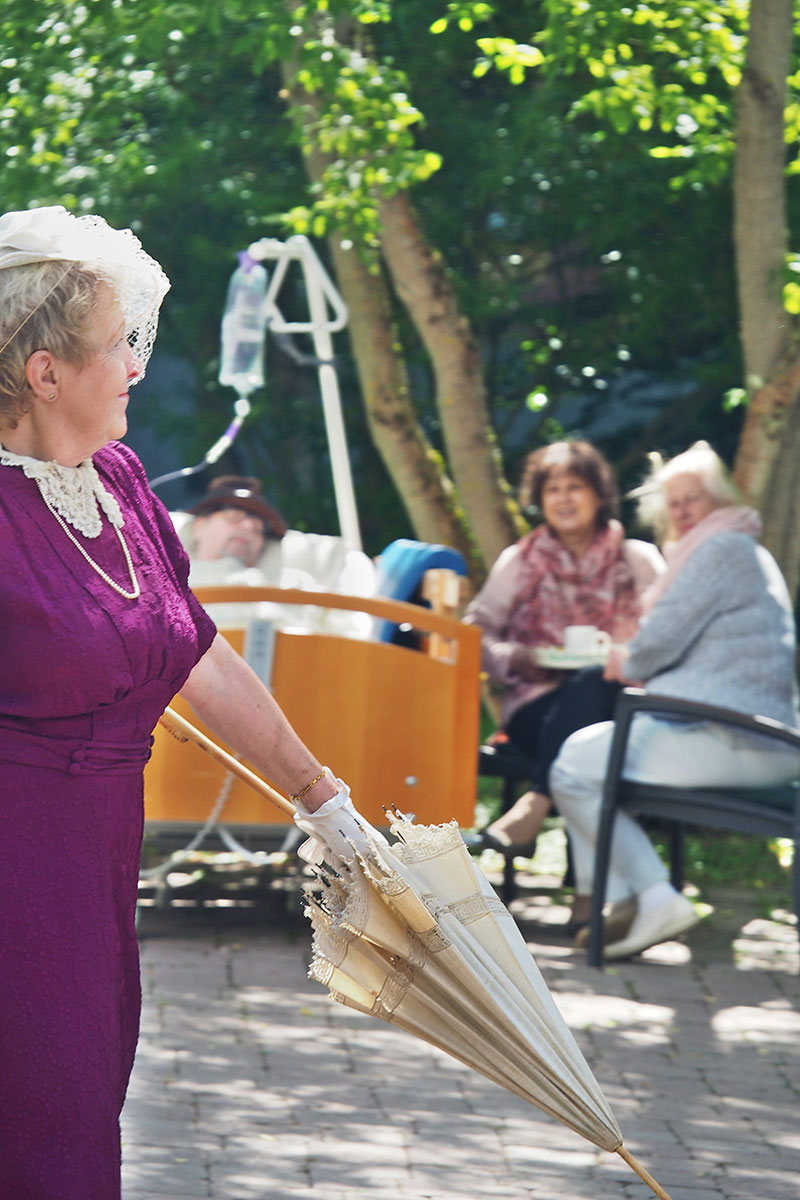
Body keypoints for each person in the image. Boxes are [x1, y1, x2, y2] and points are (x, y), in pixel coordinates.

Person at [0, 205, 374, 1200]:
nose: (136, 366)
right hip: (13, 864)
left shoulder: (119, 479)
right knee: (36, 1116)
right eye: (117, 346)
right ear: (44, 373)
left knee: (83, 1100)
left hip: (98, 855)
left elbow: (193, 654)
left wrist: (321, 798)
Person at [550, 441, 800, 959]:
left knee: (574, 767)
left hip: (740, 738)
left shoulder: (722, 548)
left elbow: (656, 646)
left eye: (694, 499)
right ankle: (625, 904)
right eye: (675, 502)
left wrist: (623, 658)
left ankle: (652, 897)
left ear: (720, 499)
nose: (683, 512)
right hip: (737, 732)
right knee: (583, 756)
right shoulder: (733, 548)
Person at [463, 440, 664, 925]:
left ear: (599, 495)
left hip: (624, 703)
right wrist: (521, 657)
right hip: (536, 705)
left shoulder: (636, 559)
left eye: (575, 486)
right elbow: (475, 632)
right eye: (553, 489)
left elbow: (668, 630)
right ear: (539, 498)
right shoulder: (520, 560)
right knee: (587, 732)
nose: (564, 498)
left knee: (597, 691)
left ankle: (537, 802)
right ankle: (587, 900)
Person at [173, 474, 376, 637]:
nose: (248, 526)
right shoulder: (166, 586)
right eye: (234, 517)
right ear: (199, 526)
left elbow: (347, 637)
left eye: (258, 529)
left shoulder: (293, 588)